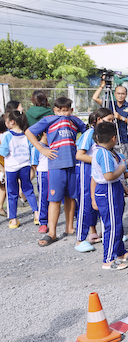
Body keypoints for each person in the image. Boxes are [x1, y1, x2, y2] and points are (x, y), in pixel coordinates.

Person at [26, 97, 86, 246]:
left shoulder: (75, 120)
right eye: (59, 110)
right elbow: (28, 132)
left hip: (72, 164)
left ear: (71, 110)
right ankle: (52, 232)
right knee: (54, 199)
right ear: (54, 110)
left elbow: (87, 133)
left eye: (65, 110)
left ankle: (69, 227)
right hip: (55, 165)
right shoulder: (48, 120)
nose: (62, 113)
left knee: (71, 197)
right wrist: (42, 149)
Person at [90, 122, 128, 270]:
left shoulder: (106, 151)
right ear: (114, 138)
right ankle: (108, 259)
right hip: (107, 190)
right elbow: (108, 176)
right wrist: (122, 169)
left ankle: (120, 252)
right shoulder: (104, 153)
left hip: (114, 188)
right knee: (111, 225)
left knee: (117, 223)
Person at [74, 108, 114, 253]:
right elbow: (79, 155)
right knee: (85, 204)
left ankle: (106, 233)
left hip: (97, 172)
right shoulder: (90, 133)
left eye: (113, 120)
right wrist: (98, 161)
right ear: (97, 120)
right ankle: (80, 239)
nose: (111, 122)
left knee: (102, 201)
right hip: (86, 171)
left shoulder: (106, 135)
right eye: (108, 120)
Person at [0, 110, 38, 228]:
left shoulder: (7, 135)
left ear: (12, 122)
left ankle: (13, 219)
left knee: (12, 193)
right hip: (25, 166)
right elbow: (31, 149)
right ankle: (37, 215)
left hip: (11, 168)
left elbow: (3, 152)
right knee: (29, 190)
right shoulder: (26, 134)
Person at [92, 79, 128, 167]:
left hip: (124, 139)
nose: (120, 96)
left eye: (122, 93)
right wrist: (102, 85)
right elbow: (95, 98)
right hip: (110, 139)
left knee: (124, 163)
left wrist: (121, 118)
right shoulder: (110, 104)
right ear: (115, 94)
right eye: (118, 93)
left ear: (126, 95)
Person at [30, 132, 50, 233]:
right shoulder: (36, 147)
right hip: (43, 173)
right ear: (44, 133)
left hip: (54, 172)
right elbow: (34, 164)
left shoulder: (53, 145)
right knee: (43, 197)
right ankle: (43, 222)